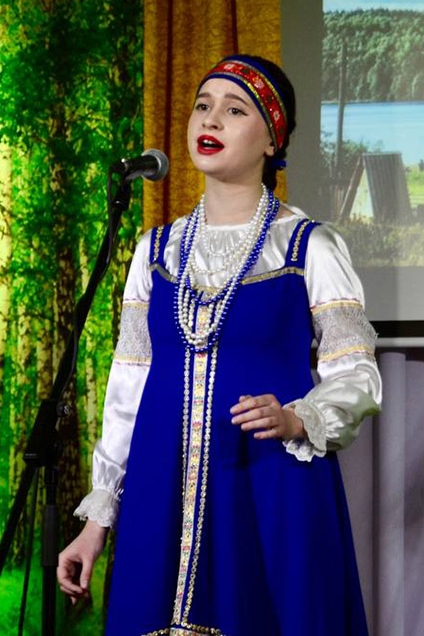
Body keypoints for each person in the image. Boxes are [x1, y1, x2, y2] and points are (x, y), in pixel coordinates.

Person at [57, 55, 381, 635]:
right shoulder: (155, 252)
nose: (211, 119)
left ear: (272, 140)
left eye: (235, 110)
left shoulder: (308, 247)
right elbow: (128, 390)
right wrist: (97, 521)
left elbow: (357, 374)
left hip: (267, 485)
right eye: (203, 106)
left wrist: (298, 418)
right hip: (161, 485)